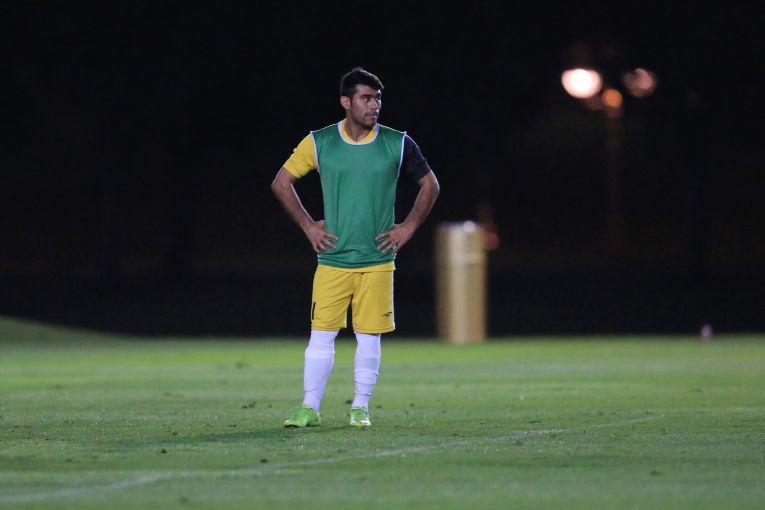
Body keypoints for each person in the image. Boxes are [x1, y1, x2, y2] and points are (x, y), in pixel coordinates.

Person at [271, 67, 439, 428]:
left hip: (377, 259)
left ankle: (360, 407)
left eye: (377, 98)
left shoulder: (397, 142)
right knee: (321, 335)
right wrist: (308, 225)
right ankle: (309, 408)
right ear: (346, 102)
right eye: (366, 98)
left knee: (368, 336)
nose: (374, 105)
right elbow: (281, 182)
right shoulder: (320, 142)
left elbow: (431, 185)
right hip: (333, 258)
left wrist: (408, 227)